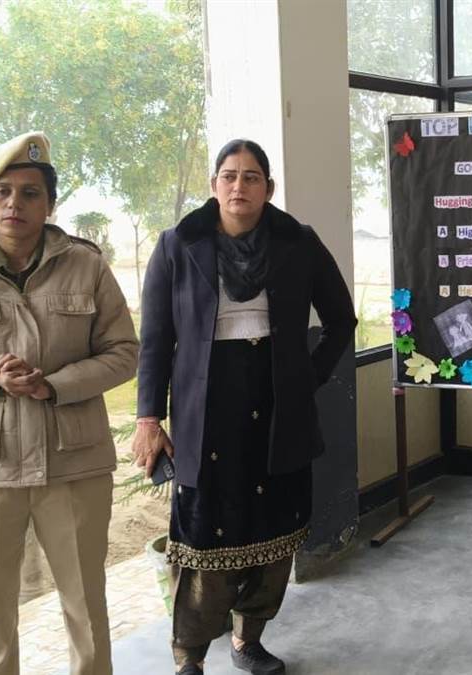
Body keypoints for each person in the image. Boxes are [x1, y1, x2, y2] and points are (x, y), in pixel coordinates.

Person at [0, 131, 139, 675]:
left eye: (30, 193)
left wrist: (54, 385)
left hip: (74, 466)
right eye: (3, 192)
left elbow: (125, 353)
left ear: (50, 204)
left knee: (86, 608)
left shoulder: (87, 267)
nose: (15, 203)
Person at [133, 139, 356, 675]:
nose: (239, 186)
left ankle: (247, 640)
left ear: (268, 188)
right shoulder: (177, 245)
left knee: (274, 527)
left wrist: (307, 378)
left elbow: (340, 319)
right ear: (214, 185)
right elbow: (155, 340)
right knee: (202, 531)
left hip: (279, 408)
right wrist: (148, 419)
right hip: (205, 411)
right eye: (229, 176)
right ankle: (189, 656)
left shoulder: (297, 242)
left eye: (251, 177)